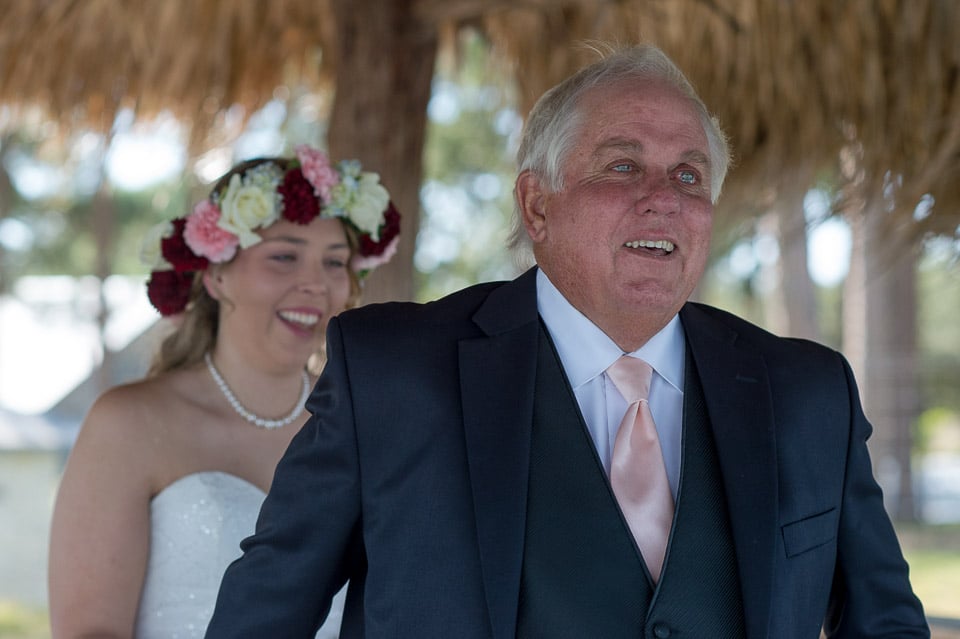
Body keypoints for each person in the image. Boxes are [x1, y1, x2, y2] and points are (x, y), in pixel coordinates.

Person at [206, 45, 929, 638]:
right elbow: (264, 616)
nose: (665, 196)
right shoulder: (393, 372)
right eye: (622, 165)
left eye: (689, 173)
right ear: (537, 203)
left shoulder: (808, 390)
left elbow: (885, 622)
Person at [47, 145, 401, 639]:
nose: (316, 284)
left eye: (335, 263)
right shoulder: (130, 422)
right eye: (284, 256)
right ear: (215, 274)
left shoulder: (373, 426)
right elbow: (90, 629)